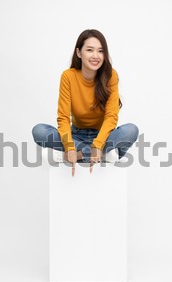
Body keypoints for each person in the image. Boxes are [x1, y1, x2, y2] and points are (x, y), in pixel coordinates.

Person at [32, 29, 138, 176]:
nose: (96, 56)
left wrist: (98, 144)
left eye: (100, 51)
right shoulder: (68, 76)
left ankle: (76, 155)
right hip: (76, 135)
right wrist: (69, 146)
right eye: (89, 50)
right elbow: (63, 117)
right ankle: (102, 155)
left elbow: (111, 117)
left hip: (104, 136)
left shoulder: (110, 75)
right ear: (79, 53)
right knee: (39, 131)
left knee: (131, 130)